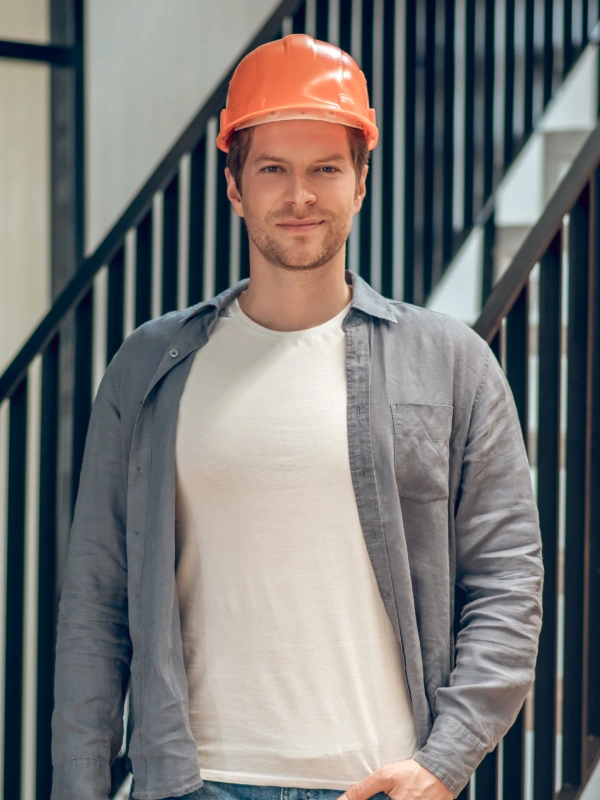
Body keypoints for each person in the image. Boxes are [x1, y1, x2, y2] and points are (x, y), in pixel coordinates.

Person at [51, 34, 544, 800]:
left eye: (325, 169)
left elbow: (509, 581)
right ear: (235, 186)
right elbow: (94, 602)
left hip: (380, 783)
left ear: (361, 182)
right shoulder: (149, 367)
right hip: (197, 782)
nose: (300, 195)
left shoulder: (451, 362)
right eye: (273, 169)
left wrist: (444, 762)